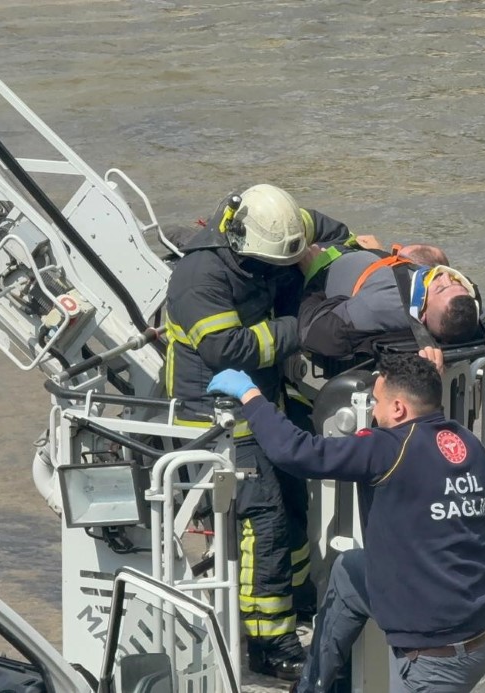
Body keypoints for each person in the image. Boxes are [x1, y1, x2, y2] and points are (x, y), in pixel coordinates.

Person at [206, 353, 485, 693]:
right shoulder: (467, 444)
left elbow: (297, 452)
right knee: (350, 570)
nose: (373, 411)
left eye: (378, 402)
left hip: (433, 658)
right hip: (481, 625)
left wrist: (251, 396)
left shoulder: (387, 449)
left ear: (398, 410)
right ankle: (313, 685)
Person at [163, 183, 353, 680]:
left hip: (263, 403)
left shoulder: (279, 224)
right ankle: (270, 643)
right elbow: (229, 350)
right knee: (263, 520)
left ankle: (297, 602)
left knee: (294, 503)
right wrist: (302, 326)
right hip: (214, 416)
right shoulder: (199, 276)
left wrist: (347, 260)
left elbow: (334, 231)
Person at [296, 245, 484, 362]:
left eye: (440, 288)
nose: (445, 276)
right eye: (456, 282)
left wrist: (314, 271)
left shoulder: (379, 306)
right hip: (376, 258)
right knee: (434, 255)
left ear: (422, 314)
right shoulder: (464, 309)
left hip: (329, 261)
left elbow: (310, 330)